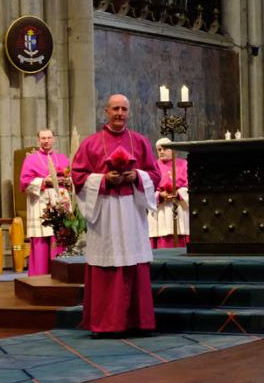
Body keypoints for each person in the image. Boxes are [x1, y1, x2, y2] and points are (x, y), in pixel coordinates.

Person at [71, 94, 160, 337]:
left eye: (124, 109)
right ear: (106, 111)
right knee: (107, 263)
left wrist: (137, 176)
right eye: (115, 109)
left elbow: (155, 173)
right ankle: (106, 323)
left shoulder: (140, 142)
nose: (120, 113)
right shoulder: (90, 143)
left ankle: (138, 321)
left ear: (128, 112)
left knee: (134, 262)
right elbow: (77, 176)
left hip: (131, 208)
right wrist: (103, 179)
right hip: (106, 210)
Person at [20, 129, 72, 276]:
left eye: (49, 138)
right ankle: (39, 277)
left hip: (60, 201)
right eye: (43, 138)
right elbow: (25, 182)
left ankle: (61, 275)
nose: (46, 141)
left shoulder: (62, 158)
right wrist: (45, 181)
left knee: (60, 237)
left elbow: (72, 178)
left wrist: (66, 180)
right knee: (41, 241)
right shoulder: (30, 160)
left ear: (54, 139)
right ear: (38, 140)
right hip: (40, 204)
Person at [148, 137, 189, 248]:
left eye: (165, 149)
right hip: (160, 210)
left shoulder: (184, 164)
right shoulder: (153, 167)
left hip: (179, 207)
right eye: (159, 149)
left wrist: (179, 194)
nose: (161, 151)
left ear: (173, 150)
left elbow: (190, 187)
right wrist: (159, 195)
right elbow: (146, 190)